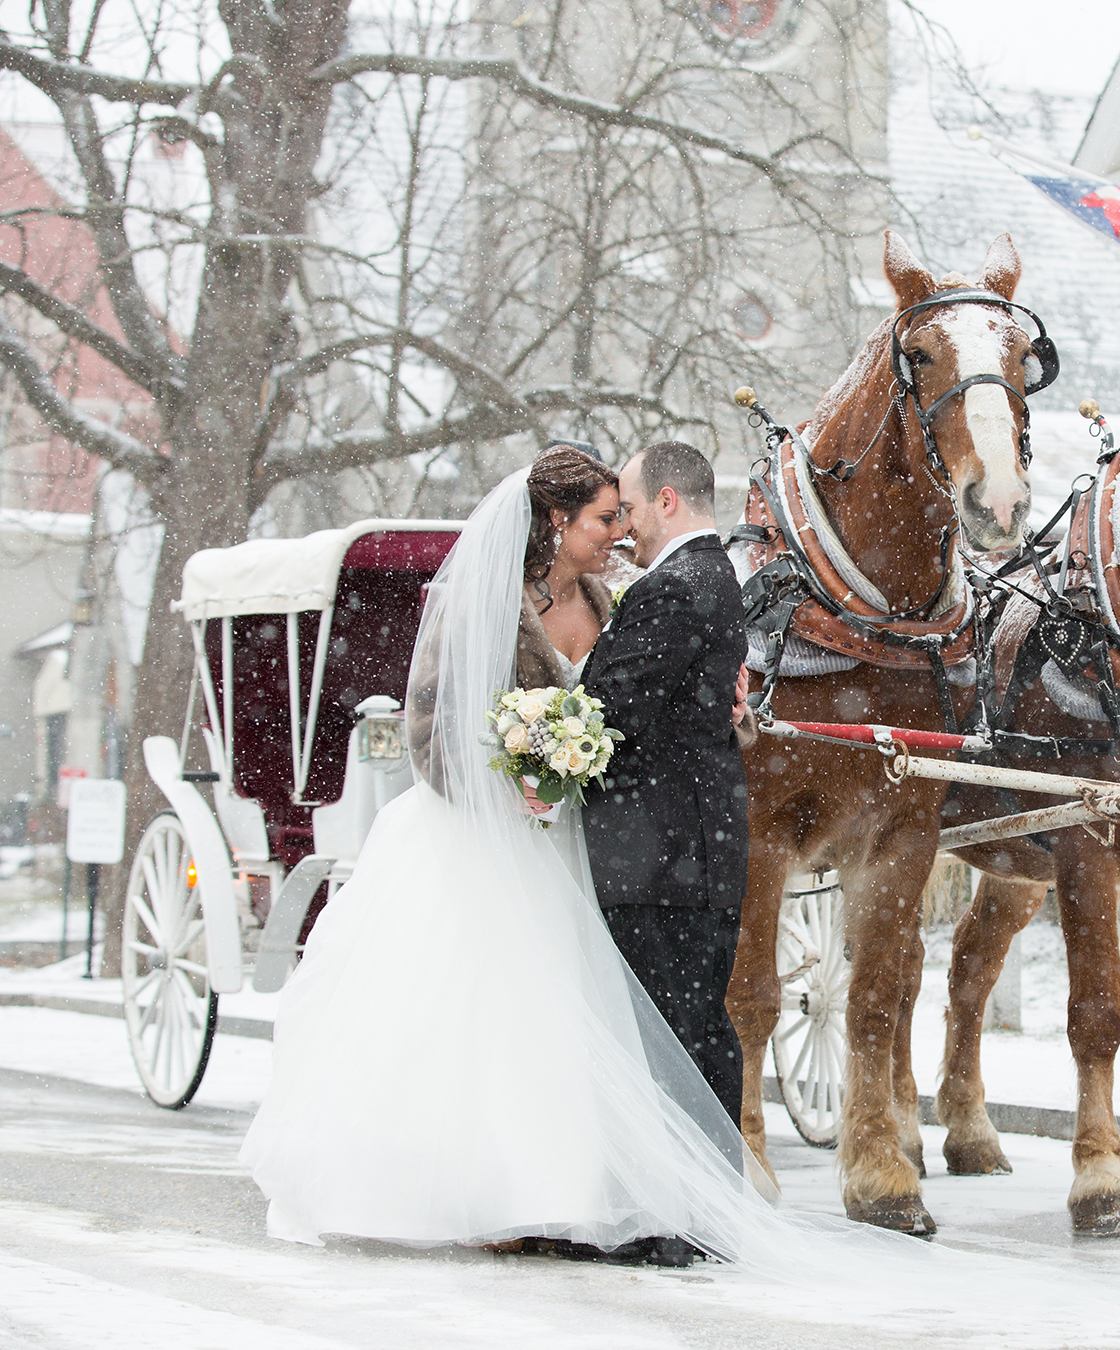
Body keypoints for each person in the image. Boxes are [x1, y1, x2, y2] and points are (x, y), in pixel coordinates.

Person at [239, 449, 767, 1262]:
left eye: (624, 515)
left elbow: (648, 707)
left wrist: (721, 710)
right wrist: (512, 782)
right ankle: (484, 1185)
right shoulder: (480, 603)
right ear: (558, 520)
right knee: (483, 1016)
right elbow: (433, 729)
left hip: (581, 841)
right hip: (491, 835)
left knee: (578, 1024)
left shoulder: (611, 597)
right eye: (604, 518)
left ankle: (582, 1193)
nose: (618, 532)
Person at [576, 441, 750, 1128]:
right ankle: (697, 1212)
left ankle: (687, 1218)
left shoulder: (676, 586)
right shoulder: (710, 574)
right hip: (686, 849)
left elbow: (615, 708)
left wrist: (539, 732)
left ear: (667, 502)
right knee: (695, 1028)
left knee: (675, 1036)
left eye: (632, 510)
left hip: (663, 856)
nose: (626, 528)